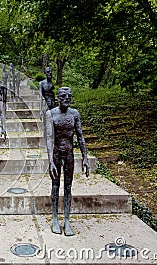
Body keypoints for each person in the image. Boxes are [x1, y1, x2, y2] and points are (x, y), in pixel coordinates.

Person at [45, 87, 89, 236]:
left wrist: (85, 157)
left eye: (69, 96)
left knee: (68, 187)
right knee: (55, 186)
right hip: (56, 154)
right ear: (58, 97)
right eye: (63, 96)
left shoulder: (74, 114)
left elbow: (80, 136)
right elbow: (49, 138)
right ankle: (55, 219)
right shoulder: (50, 114)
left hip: (69, 154)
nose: (66, 98)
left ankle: (67, 220)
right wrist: (50, 160)